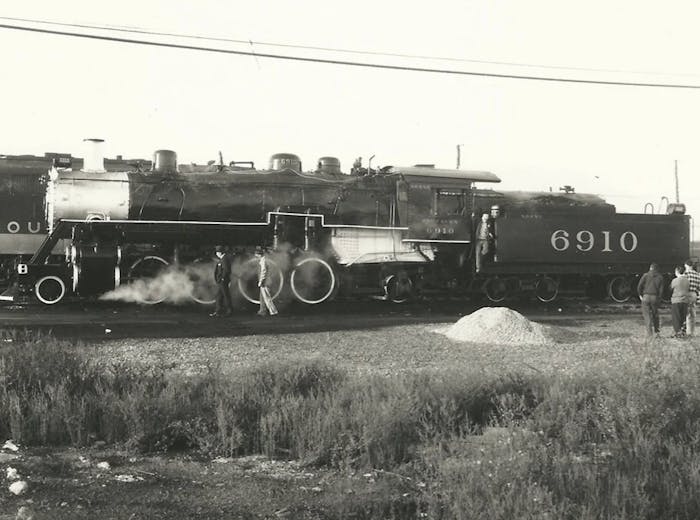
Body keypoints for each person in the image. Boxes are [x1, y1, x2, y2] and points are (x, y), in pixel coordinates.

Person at [637, 262, 664, 339]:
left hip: (645, 297)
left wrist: (640, 295)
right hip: (655, 297)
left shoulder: (645, 275)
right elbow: (661, 291)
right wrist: (659, 299)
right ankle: (657, 332)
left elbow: (639, 286)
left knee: (647, 316)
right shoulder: (660, 277)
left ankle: (650, 334)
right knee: (655, 315)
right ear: (657, 269)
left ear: (650, 268)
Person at [210, 245, 233, 317]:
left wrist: (223, 278)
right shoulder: (222, 259)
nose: (216, 254)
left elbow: (227, 270)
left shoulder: (225, 259)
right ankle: (218, 311)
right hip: (221, 281)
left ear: (219, 252)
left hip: (223, 281)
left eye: (217, 252)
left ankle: (229, 311)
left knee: (226, 296)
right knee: (219, 296)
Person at [256, 247, 278, 316]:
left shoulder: (263, 261)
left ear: (259, 254)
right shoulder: (264, 260)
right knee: (264, 297)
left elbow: (263, 272)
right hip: (265, 281)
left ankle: (273, 311)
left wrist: (261, 281)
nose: (256, 256)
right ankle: (263, 311)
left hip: (265, 282)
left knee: (267, 297)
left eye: (256, 254)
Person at [670, 266, 690, 338]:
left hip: (676, 300)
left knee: (676, 317)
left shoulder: (675, 280)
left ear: (677, 272)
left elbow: (671, 288)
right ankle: (683, 332)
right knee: (683, 317)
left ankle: (677, 332)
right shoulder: (687, 280)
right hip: (685, 301)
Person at [684, 259, 700, 337]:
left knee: (686, 313)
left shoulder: (686, 274)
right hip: (694, 294)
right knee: (693, 313)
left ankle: (687, 331)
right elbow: (699, 287)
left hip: (687, 294)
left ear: (686, 265)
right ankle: (692, 332)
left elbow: (683, 285)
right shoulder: (697, 274)